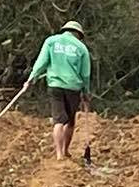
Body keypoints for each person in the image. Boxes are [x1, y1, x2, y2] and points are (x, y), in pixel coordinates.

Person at [27, 18, 91, 162]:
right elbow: (85, 74)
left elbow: (41, 63)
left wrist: (31, 79)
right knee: (70, 121)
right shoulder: (81, 48)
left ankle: (59, 154)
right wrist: (86, 92)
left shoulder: (51, 41)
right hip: (73, 88)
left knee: (58, 120)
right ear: (78, 34)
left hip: (55, 85)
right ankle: (66, 151)